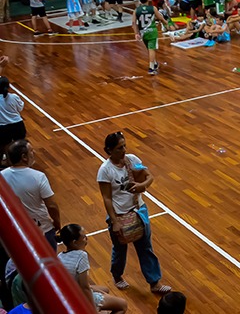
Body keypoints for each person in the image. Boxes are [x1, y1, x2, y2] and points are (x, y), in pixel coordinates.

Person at [96, 131, 171, 294]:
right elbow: (107, 198)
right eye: (118, 148)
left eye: (124, 146)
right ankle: (117, 275)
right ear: (109, 150)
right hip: (119, 216)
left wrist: (143, 185)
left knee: (145, 247)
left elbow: (148, 176)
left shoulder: (133, 160)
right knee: (120, 249)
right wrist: (115, 221)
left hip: (138, 211)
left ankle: (154, 282)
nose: (123, 150)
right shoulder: (105, 171)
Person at [1, 140, 61, 250]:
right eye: (31, 151)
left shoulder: (1, 176)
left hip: (15, 229)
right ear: (24, 157)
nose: (34, 154)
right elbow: (52, 205)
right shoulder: (39, 177)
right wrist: (57, 222)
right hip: (42, 229)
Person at [57, 223, 128, 313]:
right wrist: (93, 310)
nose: (86, 239)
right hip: (78, 296)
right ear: (74, 242)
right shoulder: (81, 256)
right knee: (123, 305)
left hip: (69, 292)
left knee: (105, 289)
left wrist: (100, 292)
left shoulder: (59, 256)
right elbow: (84, 287)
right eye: (83, 237)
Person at [132, 0, 168, 75]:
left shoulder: (136, 10)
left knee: (149, 48)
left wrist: (136, 33)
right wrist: (166, 23)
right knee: (152, 49)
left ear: (140, 0)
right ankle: (151, 68)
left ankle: (155, 64)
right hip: (152, 31)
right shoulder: (153, 8)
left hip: (143, 32)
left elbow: (134, 23)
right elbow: (160, 18)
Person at [0, 71, 25, 155]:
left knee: (3, 146)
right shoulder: (14, 97)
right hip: (18, 125)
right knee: (21, 146)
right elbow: (20, 108)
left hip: (3, 128)